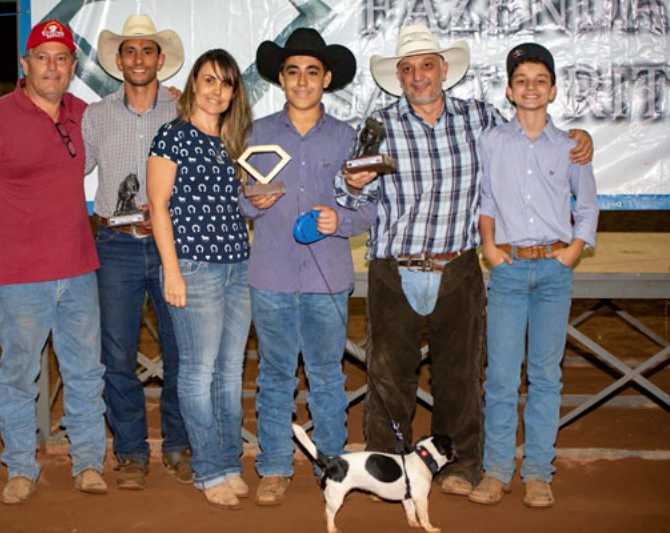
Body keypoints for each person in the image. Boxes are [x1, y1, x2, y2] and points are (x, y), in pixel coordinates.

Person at [336, 24, 593, 495]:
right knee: (390, 378)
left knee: (459, 374)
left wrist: (576, 137)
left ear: (444, 70)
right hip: (395, 265)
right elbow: (351, 191)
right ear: (398, 76)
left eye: (427, 66)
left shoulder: (481, 119)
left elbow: (529, 134)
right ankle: (390, 469)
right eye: (408, 69)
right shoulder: (378, 126)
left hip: (458, 264)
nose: (418, 77)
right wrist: (351, 186)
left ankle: (458, 466)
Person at [0, 19, 108, 504]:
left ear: (73, 67)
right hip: (19, 275)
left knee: (86, 370)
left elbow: (130, 122)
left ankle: (89, 462)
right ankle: (21, 467)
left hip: (78, 267)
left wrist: (170, 96)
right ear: (24, 63)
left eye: (62, 58)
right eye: (43, 57)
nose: (52, 67)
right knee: (19, 373)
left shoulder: (83, 113)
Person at [238, 28, 377, 506]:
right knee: (275, 373)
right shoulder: (257, 134)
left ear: (327, 79)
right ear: (281, 77)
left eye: (312, 72)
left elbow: (369, 207)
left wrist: (343, 218)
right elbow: (240, 201)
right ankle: (274, 466)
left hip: (328, 277)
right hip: (271, 275)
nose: (302, 81)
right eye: (293, 72)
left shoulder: (347, 138)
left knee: (326, 375)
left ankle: (333, 466)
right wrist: (253, 202)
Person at [468, 43, 599, 508]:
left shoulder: (570, 147)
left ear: (553, 90)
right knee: (501, 375)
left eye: (540, 80)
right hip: (507, 268)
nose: (530, 88)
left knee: (545, 375)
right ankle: (497, 470)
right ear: (509, 89)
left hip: (554, 272)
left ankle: (539, 472)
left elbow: (586, 204)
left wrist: (573, 251)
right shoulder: (491, 142)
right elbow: (485, 201)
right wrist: (489, 246)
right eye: (521, 80)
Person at [83, 14, 192, 490]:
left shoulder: (183, 112)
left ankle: (178, 444)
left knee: (181, 351)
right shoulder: (96, 115)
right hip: (115, 246)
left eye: (147, 50)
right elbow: (65, 168)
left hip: (172, 245)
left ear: (160, 60)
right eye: (130, 51)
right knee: (117, 354)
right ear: (118, 61)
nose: (139, 59)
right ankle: (130, 452)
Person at [147, 49, 253, 510]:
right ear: (193, 83)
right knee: (197, 372)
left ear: (234, 93)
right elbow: (158, 206)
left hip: (238, 266)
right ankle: (209, 468)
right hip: (194, 266)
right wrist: (171, 269)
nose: (217, 90)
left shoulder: (231, 142)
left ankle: (229, 461)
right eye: (209, 80)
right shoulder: (172, 136)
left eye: (226, 83)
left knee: (230, 373)